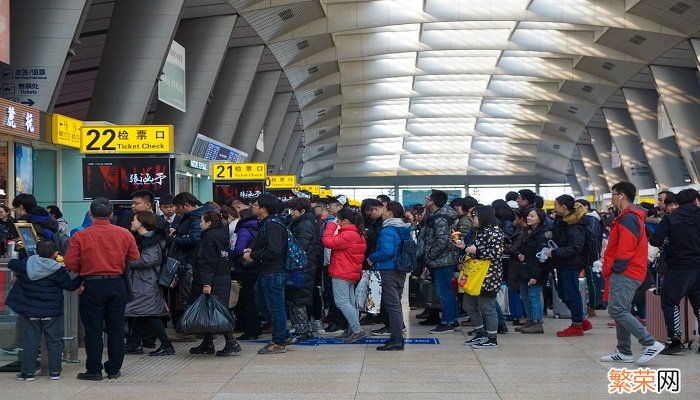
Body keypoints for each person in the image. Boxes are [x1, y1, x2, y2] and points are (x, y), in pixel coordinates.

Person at [65, 197, 140, 381]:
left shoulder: (80, 235)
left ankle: (94, 370)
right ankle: (114, 369)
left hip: (91, 285)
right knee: (116, 328)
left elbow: (70, 263)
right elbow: (135, 257)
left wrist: (85, 267)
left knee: (93, 330)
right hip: (117, 284)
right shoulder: (124, 233)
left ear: (90, 214)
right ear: (111, 214)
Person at [600, 182, 665, 365]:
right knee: (622, 308)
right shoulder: (627, 217)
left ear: (621, 195)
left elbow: (627, 245)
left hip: (627, 270)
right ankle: (624, 351)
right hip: (628, 269)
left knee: (616, 309)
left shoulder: (629, 218)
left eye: (613, 194)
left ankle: (649, 342)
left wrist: (617, 268)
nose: (611, 198)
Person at [7, 240, 83, 381]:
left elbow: (12, 263)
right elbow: (70, 285)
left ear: (36, 252)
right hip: (51, 313)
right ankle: (54, 372)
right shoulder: (58, 270)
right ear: (55, 254)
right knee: (54, 342)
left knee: (30, 342)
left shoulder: (25, 265)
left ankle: (28, 373)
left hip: (30, 312)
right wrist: (82, 276)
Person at [649, 188, 700, 355]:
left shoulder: (671, 219)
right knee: (698, 304)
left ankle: (675, 339)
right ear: (696, 201)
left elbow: (655, 240)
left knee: (670, 301)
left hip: (679, 267)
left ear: (678, 203)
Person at [189, 211, 242, 356]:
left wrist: (206, 283)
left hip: (213, 280)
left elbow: (208, 262)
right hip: (223, 277)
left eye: (202, 221)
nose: (200, 224)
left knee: (218, 311)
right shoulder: (222, 235)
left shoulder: (209, 238)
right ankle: (207, 342)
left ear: (209, 223)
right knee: (212, 310)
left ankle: (231, 342)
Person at [243, 194, 289, 354]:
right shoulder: (266, 224)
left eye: (255, 204)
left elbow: (274, 250)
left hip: (274, 272)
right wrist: (254, 250)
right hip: (268, 272)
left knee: (275, 308)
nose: (252, 207)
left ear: (264, 208)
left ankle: (278, 342)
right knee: (263, 306)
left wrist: (253, 255)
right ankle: (284, 334)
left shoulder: (272, 225)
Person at [123, 211, 174, 356]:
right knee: (138, 313)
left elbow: (149, 260)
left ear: (142, 222)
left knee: (149, 314)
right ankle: (134, 344)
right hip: (142, 281)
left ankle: (166, 345)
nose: (131, 222)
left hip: (145, 282)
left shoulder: (149, 240)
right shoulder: (144, 238)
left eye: (134, 220)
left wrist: (126, 261)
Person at [456, 205, 505, 349]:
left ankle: (492, 338)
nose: (472, 219)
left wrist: (476, 250)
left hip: (489, 275)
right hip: (473, 274)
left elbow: (496, 253)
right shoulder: (478, 231)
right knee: (468, 305)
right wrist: (464, 248)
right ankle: (480, 333)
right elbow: (473, 251)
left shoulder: (495, 232)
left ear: (483, 217)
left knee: (487, 307)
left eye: (474, 216)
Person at [367, 201, 413, 350]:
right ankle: (395, 337)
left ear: (390, 213)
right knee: (395, 304)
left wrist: (372, 257)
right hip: (400, 269)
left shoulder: (388, 229)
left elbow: (387, 251)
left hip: (388, 270)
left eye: (385, 209)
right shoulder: (404, 228)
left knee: (392, 306)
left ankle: (397, 339)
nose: (383, 212)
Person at [547, 194, 592, 337]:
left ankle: (577, 324)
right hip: (563, 262)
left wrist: (555, 252)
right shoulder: (564, 221)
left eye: (556, 205)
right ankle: (581, 319)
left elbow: (575, 247)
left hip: (571, 263)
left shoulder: (574, 225)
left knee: (571, 293)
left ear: (564, 207)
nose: (554, 208)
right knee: (563, 293)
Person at [322, 207, 368, 343]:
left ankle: (357, 330)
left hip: (342, 272)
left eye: (339, 220)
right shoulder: (358, 234)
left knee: (342, 302)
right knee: (351, 303)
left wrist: (331, 225)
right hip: (350, 272)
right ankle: (352, 329)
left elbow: (328, 242)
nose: (337, 222)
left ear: (346, 221)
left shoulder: (348, 234)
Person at [418, 190, 460, 333]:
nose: (425, 200)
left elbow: (443, 240)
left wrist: (429, 255)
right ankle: (452, 320)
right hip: (444, 259)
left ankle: (447, 322)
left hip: (443, 260)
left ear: (432, 202)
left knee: (444, 292)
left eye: (427, 198)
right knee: (447, 291)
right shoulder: (441, 215)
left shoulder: (440, 218)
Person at [287, 197, 322, 341]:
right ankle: (302, 328)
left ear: (302, 210)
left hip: (303, 265)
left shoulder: (305, 223)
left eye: (293, 210)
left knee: (300, 297)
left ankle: (303, 329)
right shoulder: (306, 221)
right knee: (300, 296)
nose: (291, 213)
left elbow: (301, 246)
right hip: (307, 264)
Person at [514, 209, 550, 334]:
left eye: (532, 216)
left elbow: (542, 256)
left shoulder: (544, 234)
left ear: (539, 218)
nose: (528, 218)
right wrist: (519, 254)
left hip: (536, 269)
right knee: (524, 295)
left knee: (534, 295)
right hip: (525, 268)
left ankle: (537, 322)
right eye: (528, 215)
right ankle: (530, 320)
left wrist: (536, 274)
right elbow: (520, 248)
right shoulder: (527, 232)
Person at [231, 207, 262, 340]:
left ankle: (251, 329)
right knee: (252, 300)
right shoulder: (259, 227)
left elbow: (238, 250)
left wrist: (231, 254)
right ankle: (255, 327)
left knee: (246, 300)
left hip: (244, 269)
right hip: (256, 267)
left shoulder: (244, 229)